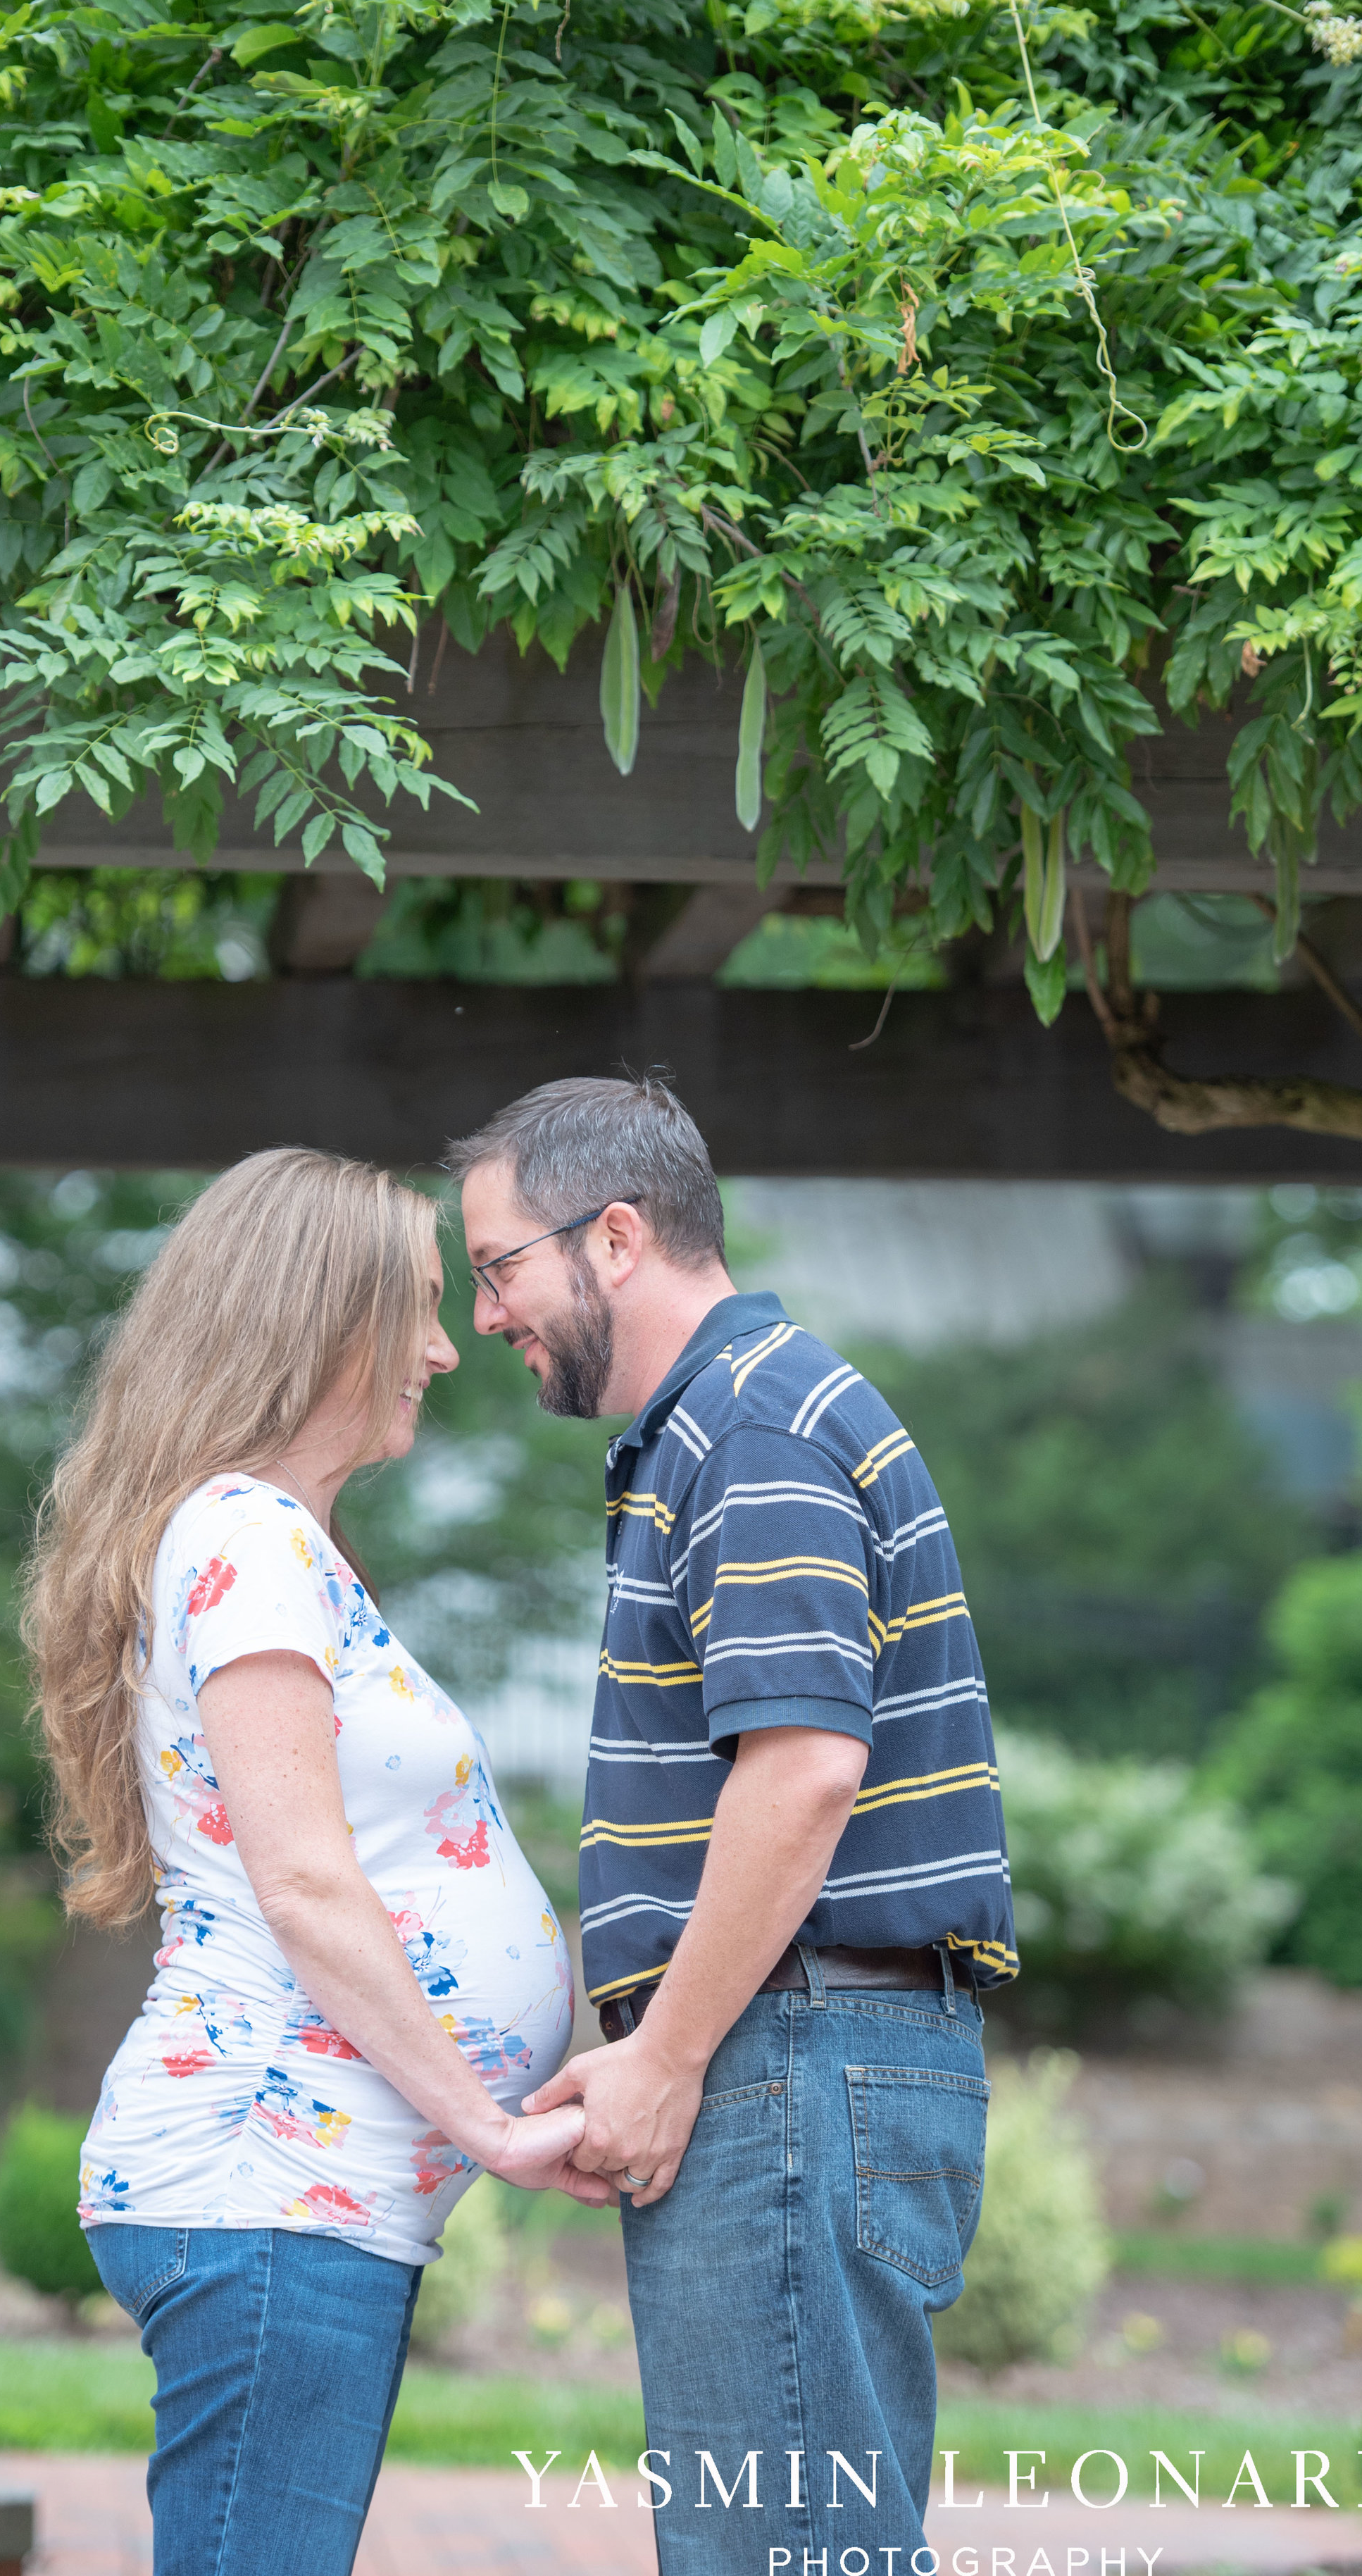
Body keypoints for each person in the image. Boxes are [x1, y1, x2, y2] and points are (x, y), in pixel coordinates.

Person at [450, 1074, 1018, 2575]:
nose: (489, 1311)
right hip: (804, 2065)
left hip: (784, 2064)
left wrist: (667, 2054)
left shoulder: (751, 1425)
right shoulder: (736, 1418)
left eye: (499, 1264)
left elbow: (801, 1771)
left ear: (614, 1236)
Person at [27, 1148, 606, 2576]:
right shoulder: (251, 1536)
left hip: (299, 2196)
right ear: (315, 1319)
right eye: (410, 1306)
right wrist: (485, 2121)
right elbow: (304, 1884)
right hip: (269, 2186)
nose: (437, 1347)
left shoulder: (271, 1542)